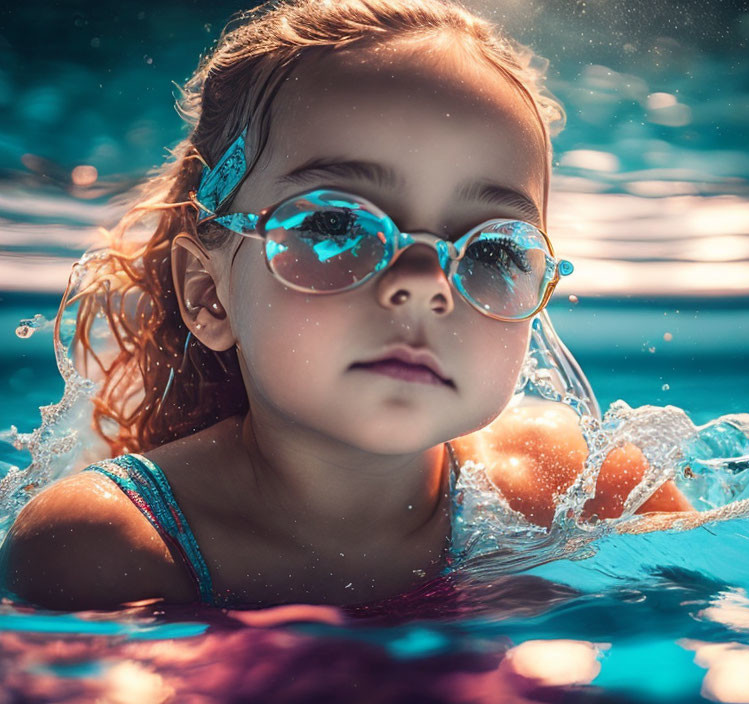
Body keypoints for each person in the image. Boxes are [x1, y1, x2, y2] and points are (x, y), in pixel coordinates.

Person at [0, 0, 692, 611]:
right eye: (336, 225)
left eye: (490, 250)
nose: (424, 282)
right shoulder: (109, 548)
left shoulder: (584, 486)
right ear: (209, 294)